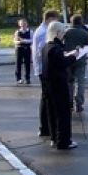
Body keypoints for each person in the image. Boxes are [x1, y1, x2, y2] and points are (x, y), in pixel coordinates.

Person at [44, 21, 79, 150]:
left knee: (52, 113)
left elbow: (57, 61)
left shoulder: (47, 46)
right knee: (63, 114)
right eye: (63, 32)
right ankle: (64, 141)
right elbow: (62, 63)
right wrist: (74, 56)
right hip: (58, 84)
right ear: (57, 33)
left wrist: (66, 55)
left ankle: (54, 137)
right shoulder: (55, 48)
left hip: (50, 84)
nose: (64, 34)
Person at [33, 10, 60, 138]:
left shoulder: (41, 30)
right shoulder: (44, 32)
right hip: (44, 69)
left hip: (43, 68)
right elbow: (42, 52)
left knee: (46, 98)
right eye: (55, 20)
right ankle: (45, 127)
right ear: (49, 19)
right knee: (46, 99)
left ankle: (46, 127)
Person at [62, 15, 88, 111]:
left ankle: (69, 102)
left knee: (69, 82)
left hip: (68, 59)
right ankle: (78, 103)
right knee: (80, 82)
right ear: (81, 22)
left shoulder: (66, 32)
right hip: (81, 60)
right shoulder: (84, 32)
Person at [14, 18, 33, 84]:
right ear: (19, 24)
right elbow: (15, 41)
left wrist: (24, 40)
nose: (23, 25)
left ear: (27, 24)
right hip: (19, 48)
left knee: (27, 64)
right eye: (21, 24)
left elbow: (32, 40)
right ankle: (18, 78)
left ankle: (27, 78)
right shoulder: (17, 32)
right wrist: (18, 42)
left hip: (27, 49)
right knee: (18, 63)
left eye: (24, 24)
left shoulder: (30, 31)